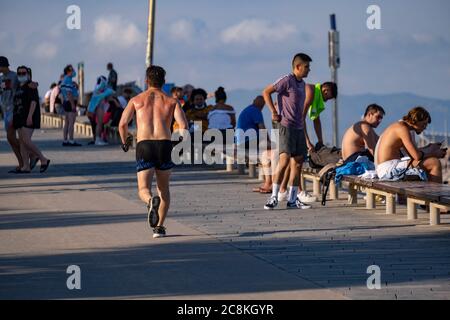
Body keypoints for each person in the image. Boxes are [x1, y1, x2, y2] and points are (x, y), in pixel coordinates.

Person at [119, 65, 188, 238]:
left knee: (143, 188)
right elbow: (184, 126)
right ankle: (159, 227)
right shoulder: (172, 102)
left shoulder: (136, 100)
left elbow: (122, 124)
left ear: (146, 80)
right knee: (163, 189)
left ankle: (150, 201)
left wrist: (125, 141)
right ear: (164, 82)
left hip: (145, 145)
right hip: (165, 145)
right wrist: (181, 145)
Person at [263, 53, 312, 210]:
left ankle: (292, 200)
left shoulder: (302, 84)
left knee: (297, 164)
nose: (308, 70)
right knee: (284, 161)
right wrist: (273, 111)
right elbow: (266, 92)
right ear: (297, 67)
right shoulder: (286, 80)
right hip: (285, 125)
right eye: (306, 67)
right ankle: (274, 197)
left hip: (298, 127)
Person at [278, 81, 338, 203]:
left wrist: (320, 140)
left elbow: (316, 120)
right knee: (297, 158)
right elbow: (301, 119)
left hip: (286, 119)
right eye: (328, 97)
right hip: (285, 119)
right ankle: (298, 192)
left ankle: (283, 191)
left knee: (293, 159)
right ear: (325, 90)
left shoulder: (316, 95)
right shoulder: (311, 93)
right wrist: (307, 142)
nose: (327, 101)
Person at [375, 106, 446, 183]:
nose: (425, 128)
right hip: (388, 170)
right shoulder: (403, 129)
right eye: (424, 124)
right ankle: (436, 194)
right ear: (415, 120)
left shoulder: (401, 126)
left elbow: (412, 154)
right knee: (434, 163)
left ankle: (429, 192)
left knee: (428, 163)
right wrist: (434, 154)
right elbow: (416, 156)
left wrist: (429, 148)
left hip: (386, 167)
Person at [0, 56, 39, 172]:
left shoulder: (14, 76)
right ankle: (25, 160)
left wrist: (35, 84)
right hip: (5, 110)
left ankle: (29, 158)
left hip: (14, 109)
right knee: (11, 139)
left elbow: (28, 82)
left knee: (11, 137)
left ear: (3, 66)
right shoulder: (1, 78)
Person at [12, 66, 50, 173]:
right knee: (22, 143)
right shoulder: (18, 86)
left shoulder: (31, 86)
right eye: (19, 73)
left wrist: (29, 116)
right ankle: (26, 166)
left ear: (28, 74)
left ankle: (43, 159)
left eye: (23, 73)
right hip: (18, 116)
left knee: (26, 141)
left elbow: (33, 102)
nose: (21, 75)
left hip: (28, 116)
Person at [87, 75, 115, 146]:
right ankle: (98, 139)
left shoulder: (99, 90)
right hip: (99, 107)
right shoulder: (98, 90)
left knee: (99, 124)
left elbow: (107, 98)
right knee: (99, 124)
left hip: (99, 107)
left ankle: (98, 139)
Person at [60, 65, 81, 146]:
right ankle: (71, 140)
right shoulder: (68, 80)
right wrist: (73, 105)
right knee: (71, 122)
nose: (74, 72)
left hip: (66, 102)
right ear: (68, 71)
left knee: (67, 123)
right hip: (70, 102)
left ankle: (65, 140)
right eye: (72, 70)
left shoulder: (65, 80)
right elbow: (69, 93)